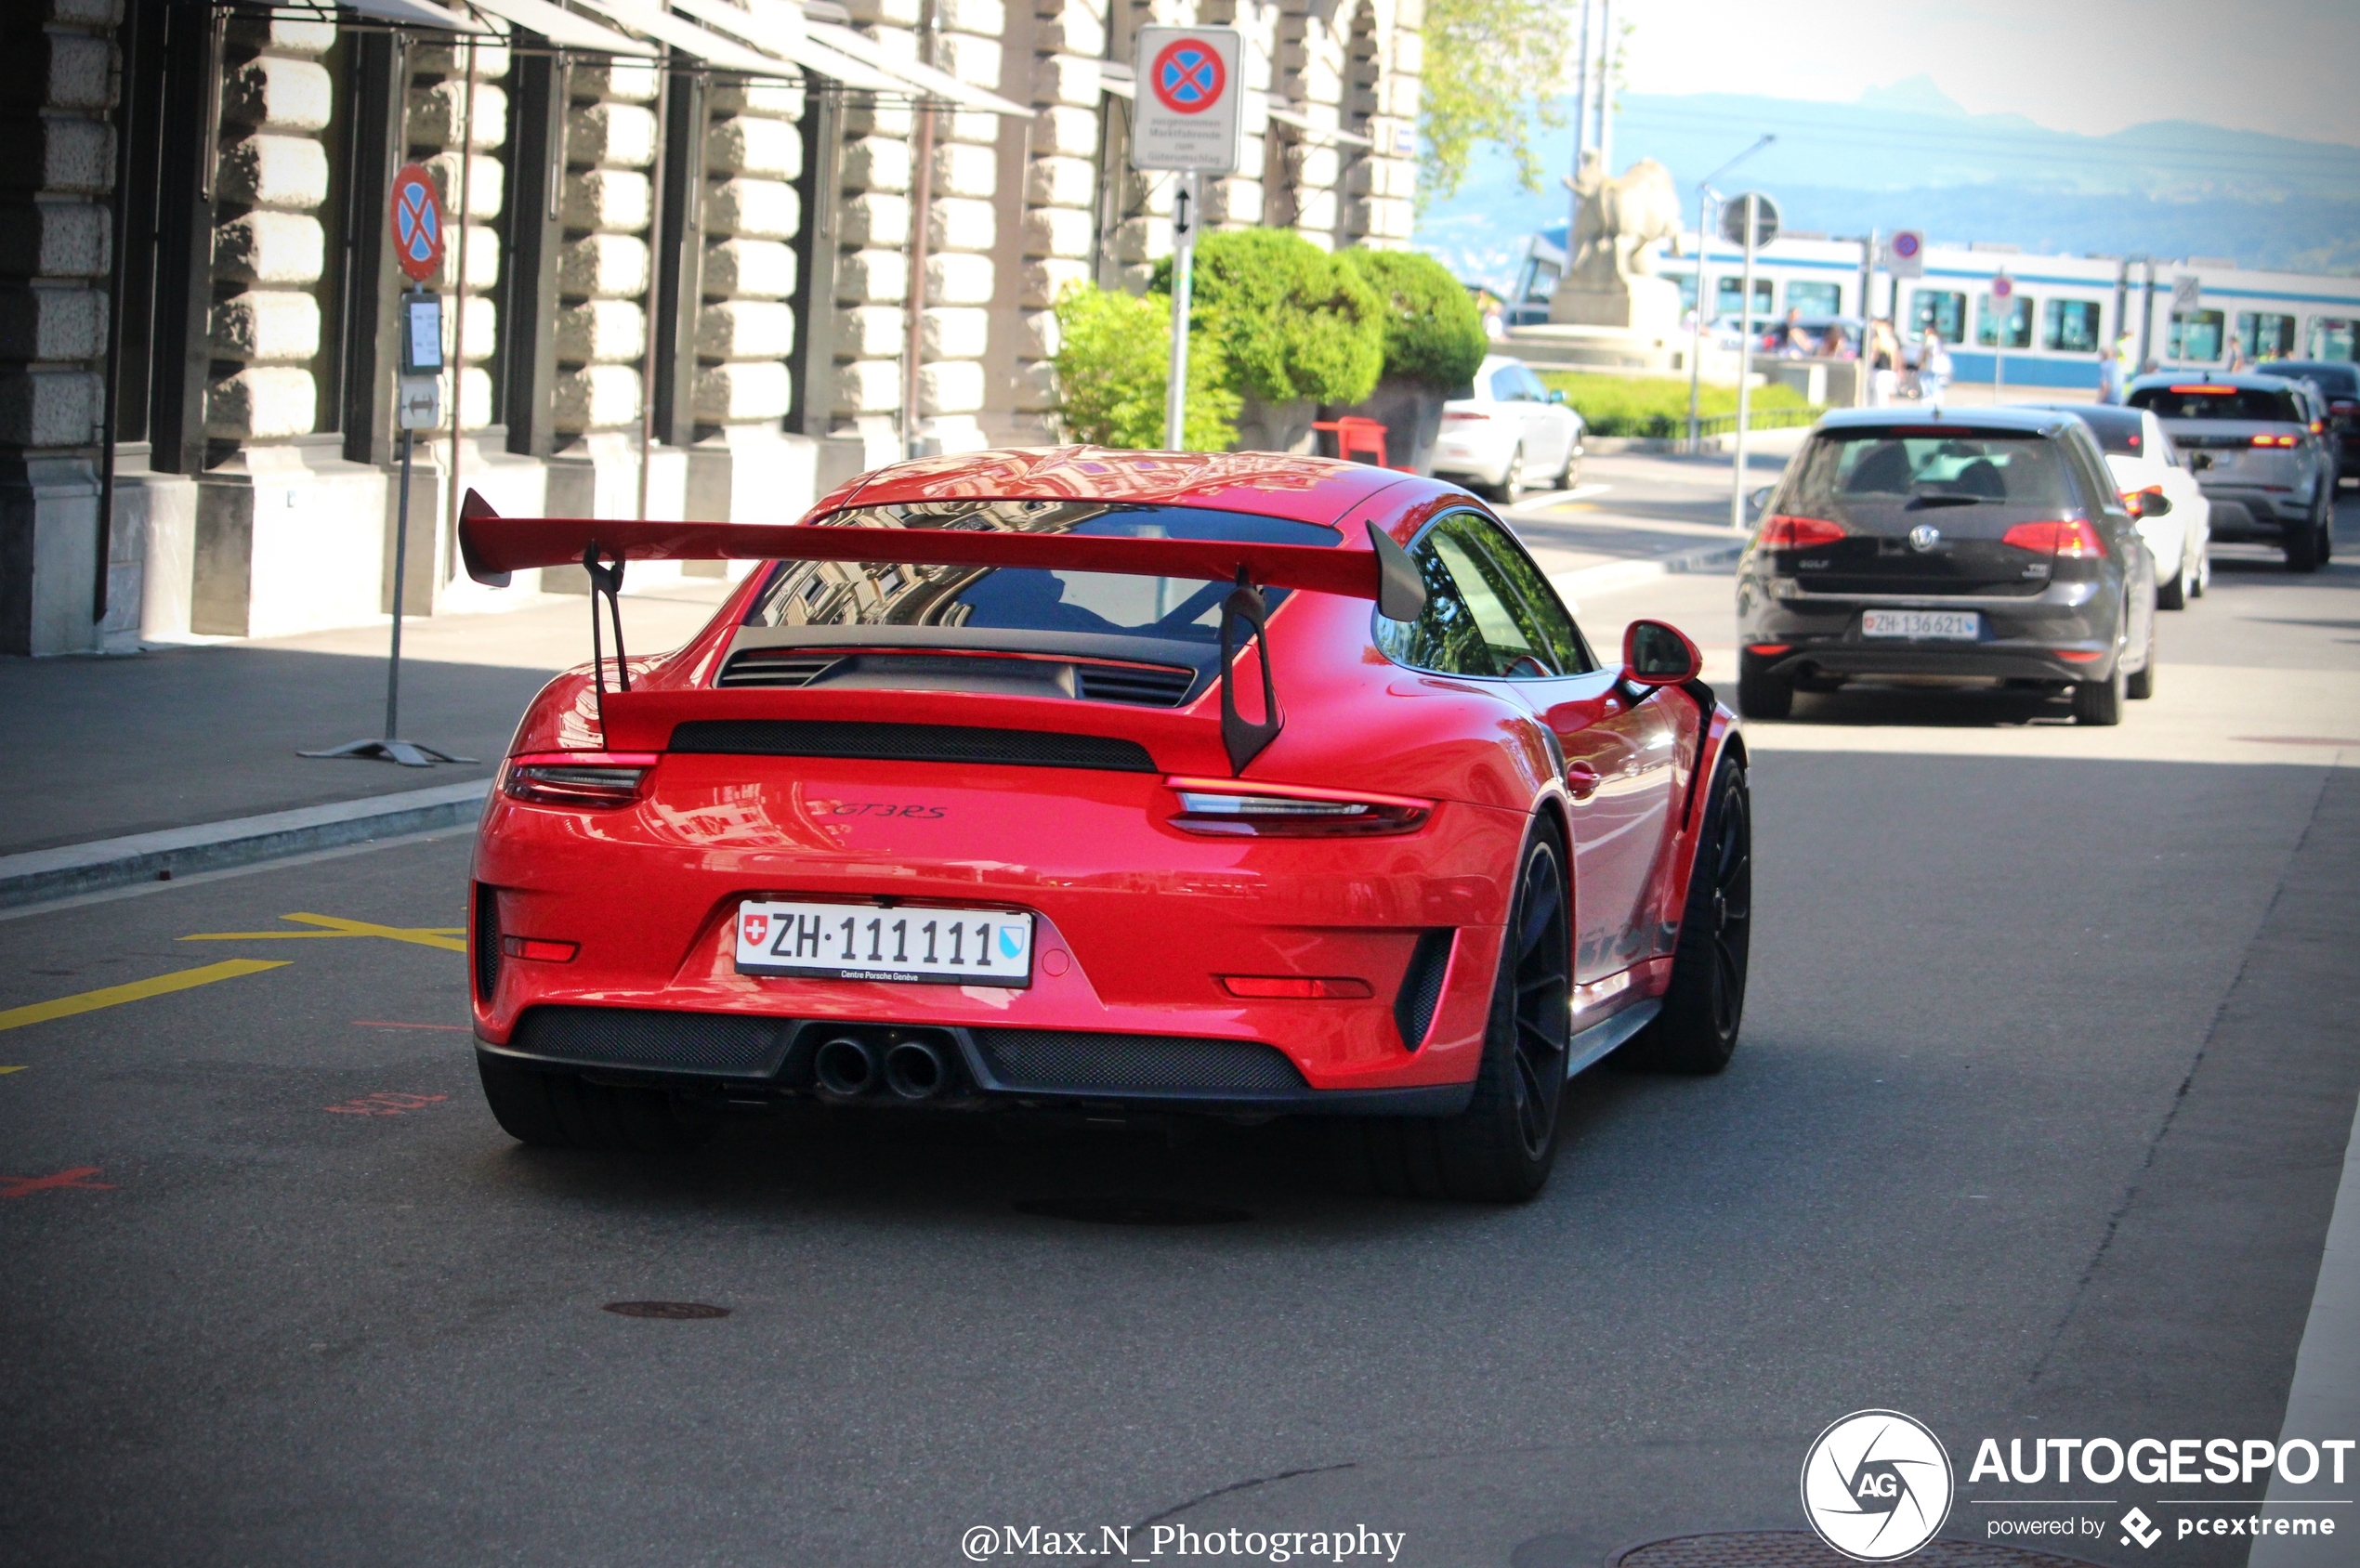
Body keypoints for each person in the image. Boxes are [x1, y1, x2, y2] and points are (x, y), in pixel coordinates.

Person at [1867, 320, 1900, 407]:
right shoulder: (1892, 342)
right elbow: (1895, 359)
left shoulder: (1876, 342)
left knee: (1879, 398)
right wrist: (1895, 372)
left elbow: (1873, 358)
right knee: (1888, 397)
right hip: (1890, 372)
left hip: (1879, 372)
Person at [1917, 325, 1951, 408]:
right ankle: (1937, 397)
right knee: (1935, 381)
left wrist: (1921, 359)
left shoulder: (1931, 339)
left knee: (1926, 380)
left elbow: (1928, 351)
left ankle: (1930, 397)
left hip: (1932, 365)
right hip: (1937, 365)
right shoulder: (1938, 340)